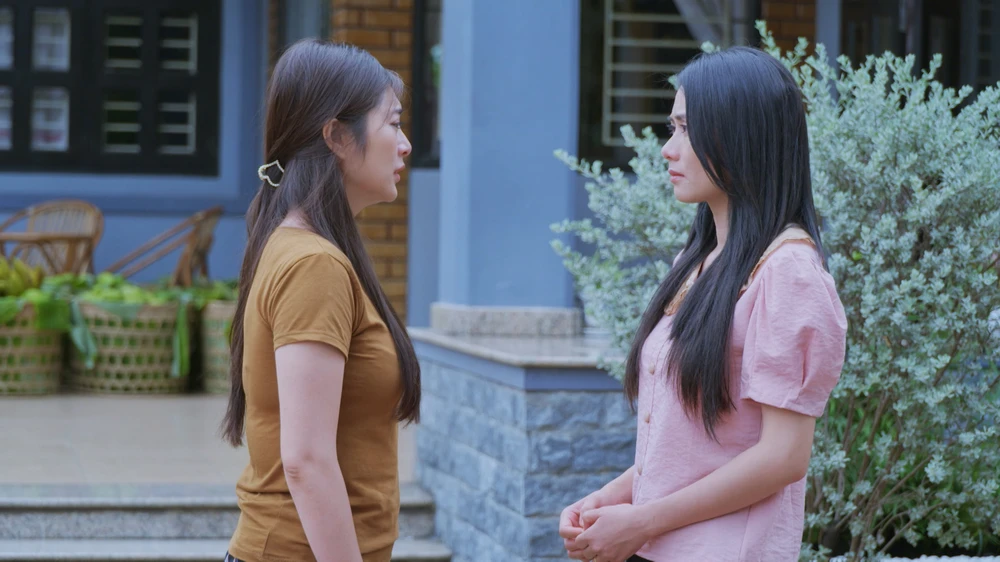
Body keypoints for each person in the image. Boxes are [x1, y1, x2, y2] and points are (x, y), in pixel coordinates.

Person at [558, 46, 848, 562]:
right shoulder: (698, 261)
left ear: (741, 136)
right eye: (672, 128)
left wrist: (643, 520)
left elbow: (783, 457)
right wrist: (614, 497)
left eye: (686, 130)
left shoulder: (787, 273)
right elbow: (691, 448)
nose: (667, 149)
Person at [218, 39, 421, 562]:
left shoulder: (308, 248)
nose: (405, 145)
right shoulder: (314, 264)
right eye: (393, 123)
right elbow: (305, 461)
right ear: (336, 136)